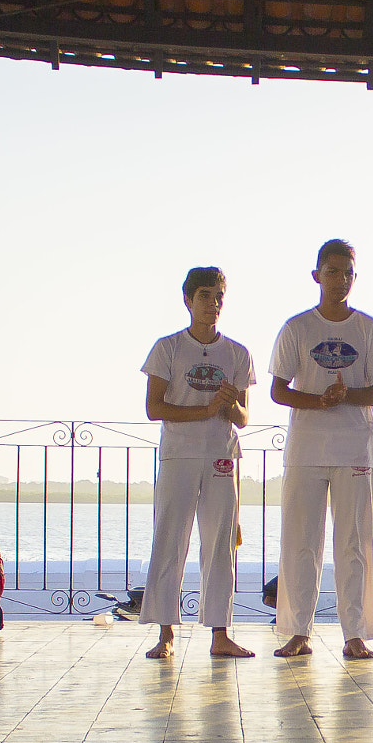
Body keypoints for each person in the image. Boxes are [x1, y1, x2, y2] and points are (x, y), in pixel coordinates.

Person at [270, 239, 373, 659]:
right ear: (317, 275)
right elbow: (278, 390)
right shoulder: (297, 328)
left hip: (354, 450)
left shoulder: (369, 329)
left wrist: (345, 396)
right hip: (306, 450)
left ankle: (354, 633)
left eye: (348, 273)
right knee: (301, 542)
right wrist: (318, 400)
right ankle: (297, 631)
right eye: (333, 271)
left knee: (354, 544)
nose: (340, 280)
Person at [140, 266, 254, 661]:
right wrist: (204, 408)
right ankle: (166, 632)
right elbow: (154, 408)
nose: (213, 303)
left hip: (222, 456)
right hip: (178, 455)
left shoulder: (237, 353)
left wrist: (230, 405)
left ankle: (220, 634)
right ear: (188, 300)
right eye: (205, 295)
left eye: (219, 296)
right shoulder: (168, 348)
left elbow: (243, 418)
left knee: (220, 545)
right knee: (170, 539)